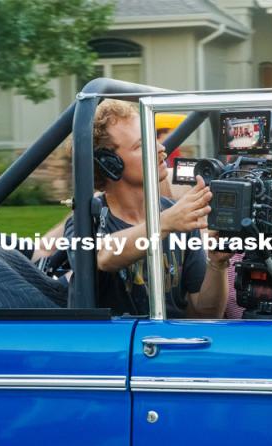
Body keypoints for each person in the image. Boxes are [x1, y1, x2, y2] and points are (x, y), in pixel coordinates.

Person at [65, 99, 230, 318]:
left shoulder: (177, 218)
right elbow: (103, 256)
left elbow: (203, 315)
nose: (161, 148)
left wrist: (217, 264)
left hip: (171, 346)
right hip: (114, 348)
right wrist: (165, 223)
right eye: (141, 145)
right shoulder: (85, 221)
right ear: (109, 164)